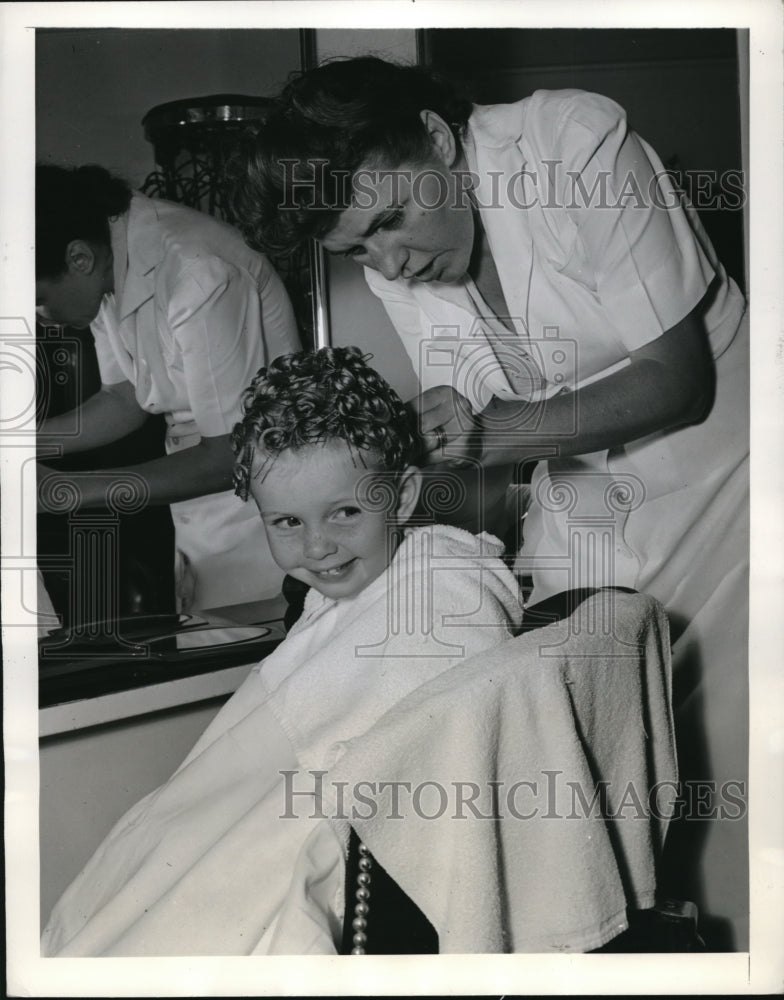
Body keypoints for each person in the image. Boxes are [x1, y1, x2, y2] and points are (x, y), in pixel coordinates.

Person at [229, 57, 750, 948]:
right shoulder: (401, 260)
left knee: (736, 789)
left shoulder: (573, 143)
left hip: (735, 479)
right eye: (358, 249)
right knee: (574, 751)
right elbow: (477, 446)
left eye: (391, 220)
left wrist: (488, 437)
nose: (388, 262)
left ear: (437, 138)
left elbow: (677, 382)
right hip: (587, 507)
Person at [41, 346, 523, 955]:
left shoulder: (442, 596)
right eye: (287, 523)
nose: (318, 547)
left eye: (345, 512)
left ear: (400, 497)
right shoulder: (340, 600)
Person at [36, 163, 301, 611]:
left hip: (261, 505)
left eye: (39, 300)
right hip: (200, 503)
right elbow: (124, 400)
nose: (42, 318)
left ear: (77, 258)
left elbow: (229, 456)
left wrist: (63, 493)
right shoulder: (107, 262)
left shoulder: (196, 273)